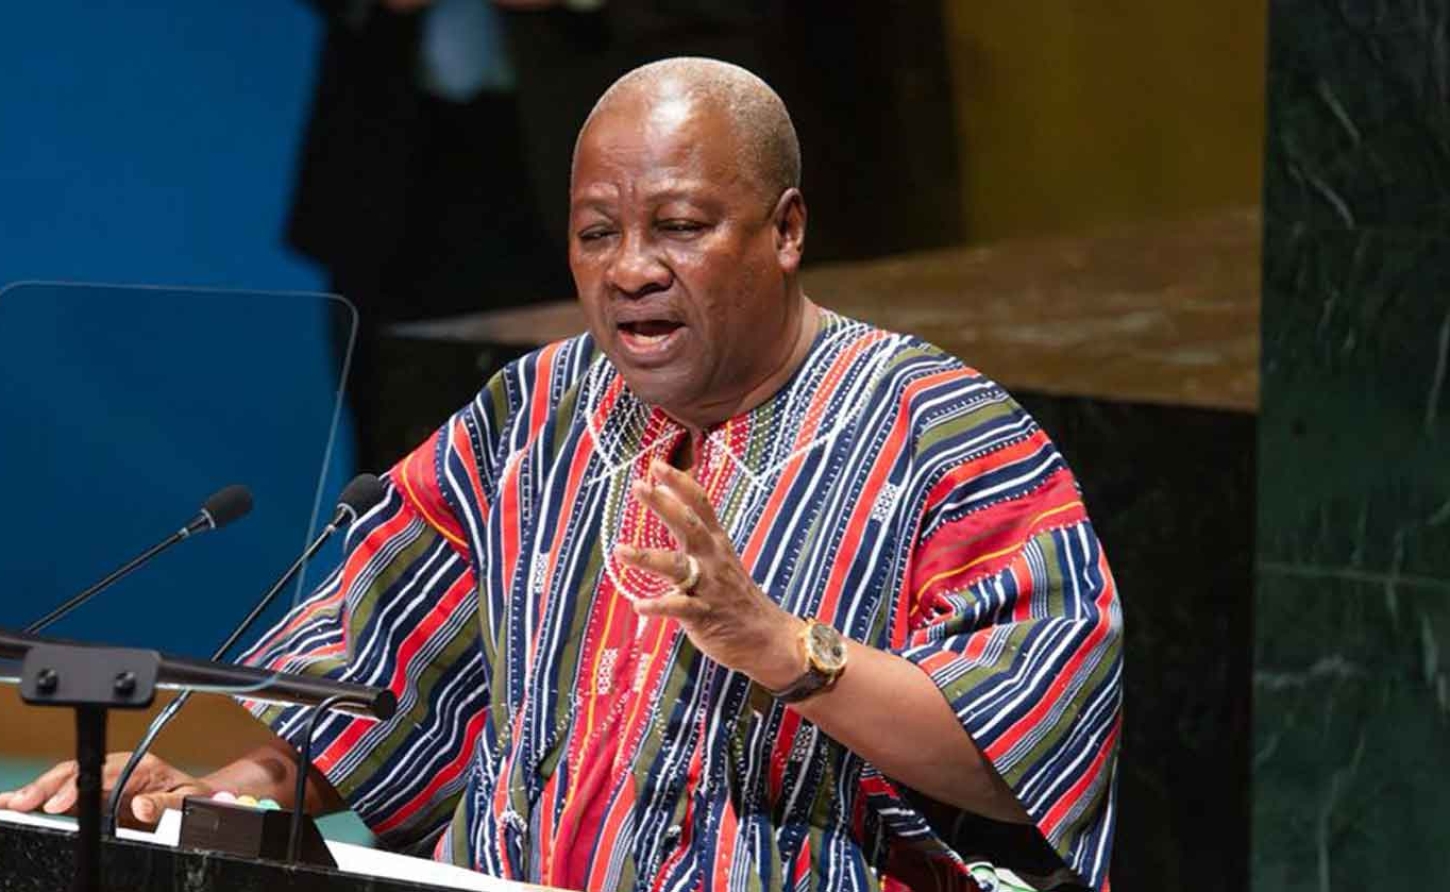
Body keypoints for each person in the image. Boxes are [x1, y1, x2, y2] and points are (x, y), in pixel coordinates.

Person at [0, 59, 1121, 892]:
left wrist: (782, 647)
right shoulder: (532, 412)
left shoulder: (948, 434)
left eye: (679, 226)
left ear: (785, 230)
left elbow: (1024, 749)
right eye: (595, 233)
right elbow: (379, 691)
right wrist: (222, 794)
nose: (631, 269)